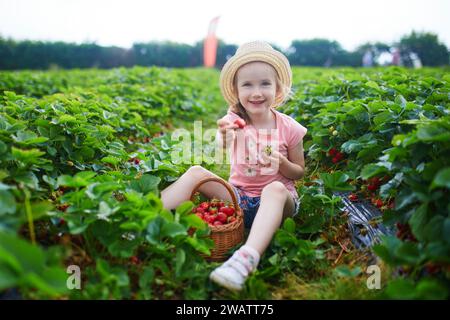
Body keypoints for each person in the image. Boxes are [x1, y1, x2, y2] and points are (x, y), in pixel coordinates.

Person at [160, 41, 307, 291]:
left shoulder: (289, 127)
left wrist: (282, 163)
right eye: (247, 85)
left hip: (278, 203)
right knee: (196, 172)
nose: (256, 92)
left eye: (265, 83)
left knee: (274, 188)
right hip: (238, 199)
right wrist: (225, 136)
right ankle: (149, 217)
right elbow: (222, 143)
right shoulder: (235, 120)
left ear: (277, 88)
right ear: (237, 90)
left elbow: (299, 171)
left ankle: (245, 259)